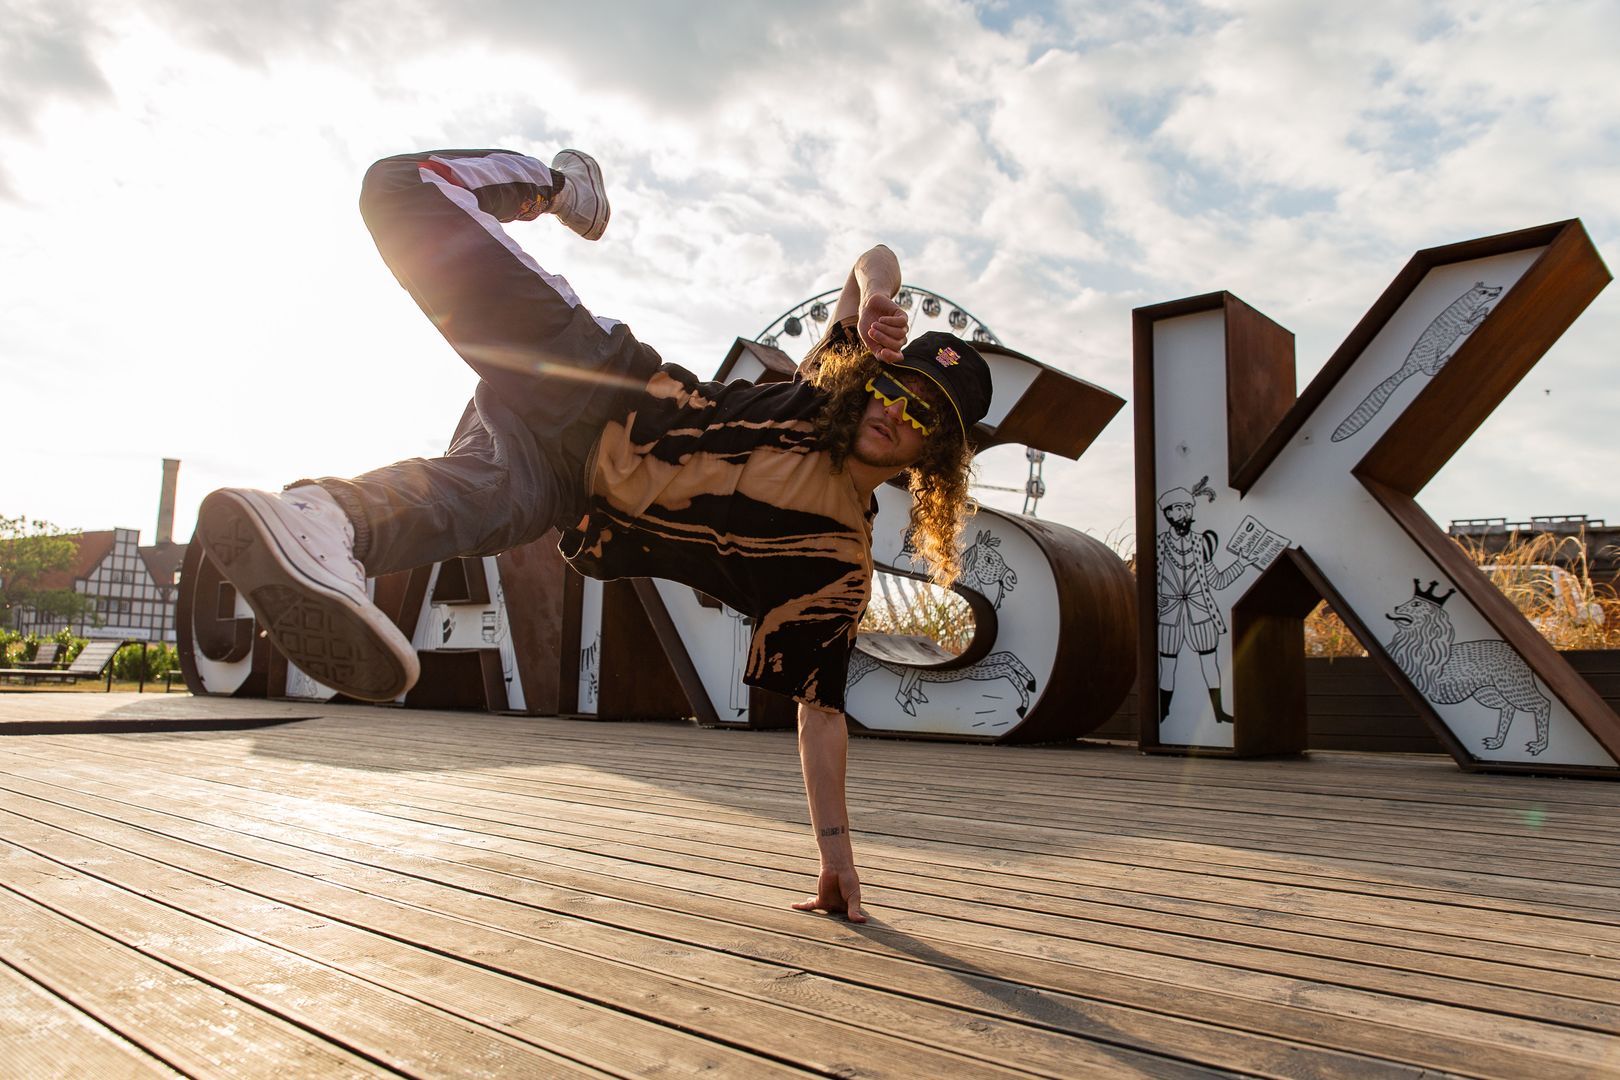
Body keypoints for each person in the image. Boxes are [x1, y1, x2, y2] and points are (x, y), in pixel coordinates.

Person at [195, 147, 992, 923]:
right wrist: (883, 291)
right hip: (592, 381)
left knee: (491, 503)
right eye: (895, 389)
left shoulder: (835, 570)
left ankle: (322, 523)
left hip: (567, 485)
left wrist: (836, 857)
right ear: (871, 377)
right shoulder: (827, 388)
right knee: (401, 192)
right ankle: (563, 184)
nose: (895, 413)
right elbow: (872, 257)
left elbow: (821, 714)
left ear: (937, 457)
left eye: (925, 417)